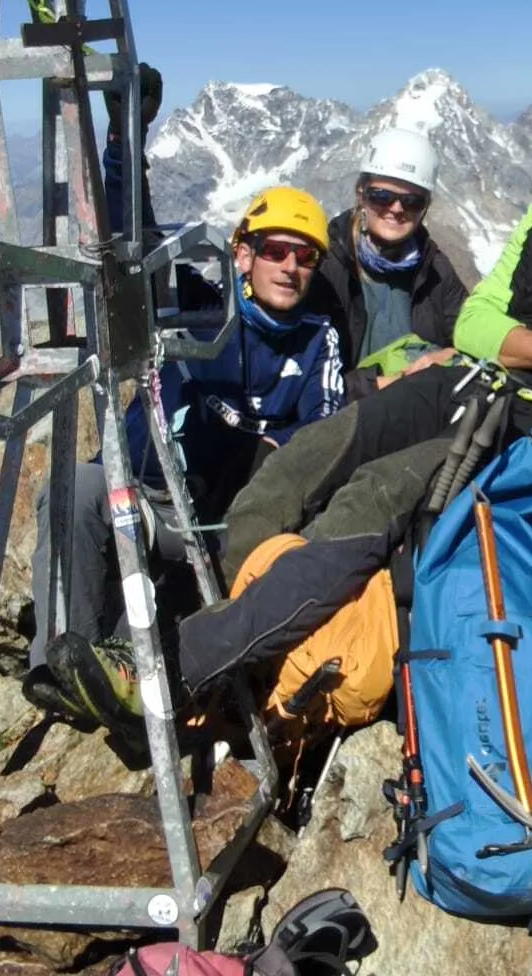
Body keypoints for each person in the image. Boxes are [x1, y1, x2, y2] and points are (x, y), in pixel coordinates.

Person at [43, 67, 532, 729]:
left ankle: (176, 669)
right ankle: (232, 634)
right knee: (304, 462)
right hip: (464, 382)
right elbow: (476, 325)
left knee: (372, 495)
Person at [25, 186, 345, 714]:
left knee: (167, 621)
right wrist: (123, 157)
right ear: (243, 255)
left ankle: (115, 682)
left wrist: (272, 446)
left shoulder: (317, 341)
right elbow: (136, 244)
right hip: (142, 496)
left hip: (215, 526)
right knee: (74, 490)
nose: (290, 267)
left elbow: (324, 432)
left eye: (305, 256)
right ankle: (61, 669)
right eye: (275, 250)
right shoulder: (199, 307)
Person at [305, 127, 468, 399]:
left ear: (425, 207)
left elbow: (471, 338)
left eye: (412, 201)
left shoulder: (436, 269)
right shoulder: (326, 264)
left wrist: (447, 356)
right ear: (361, 194)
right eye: (382, 196)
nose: (396, 209)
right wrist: (386, 384)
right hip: (344, 414)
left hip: (422, 410)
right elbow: (303, 375)